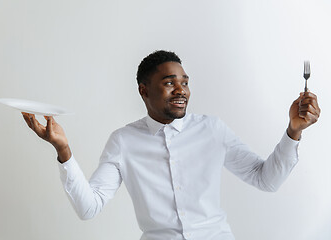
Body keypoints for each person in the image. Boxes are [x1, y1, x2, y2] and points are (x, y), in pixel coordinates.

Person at [22, 50, 320, 240]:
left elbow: (266, 180)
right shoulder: (123, 141)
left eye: (185, 82)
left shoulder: (212, 130)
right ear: (144, 90)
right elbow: (89, 208)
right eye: (168, 82)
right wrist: (63, 151)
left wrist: (293, 131)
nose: (181, 90)